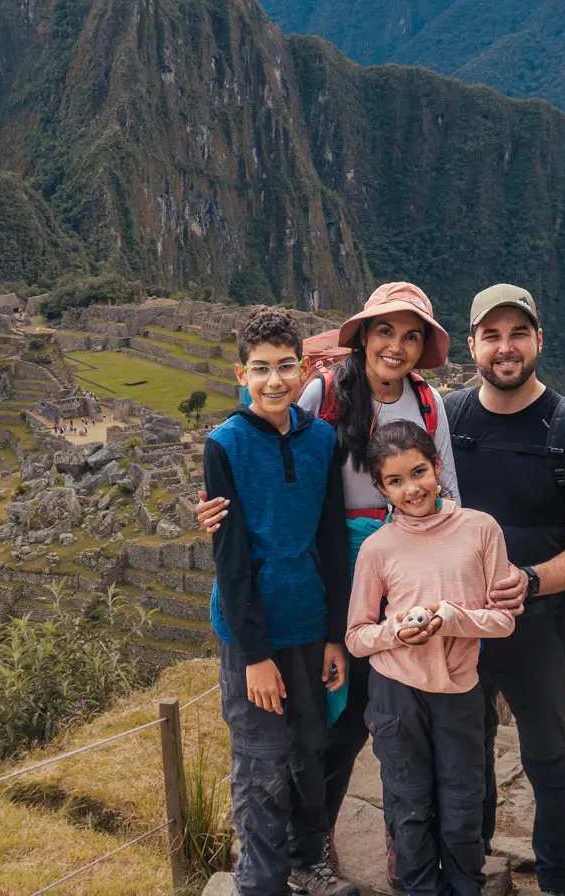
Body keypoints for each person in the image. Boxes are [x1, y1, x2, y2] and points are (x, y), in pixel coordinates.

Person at [199, 282, 462, 842]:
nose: (397, 346)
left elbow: (451, 492)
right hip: (336, 567)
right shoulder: (323, 393)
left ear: (422, 348)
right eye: (385, 330)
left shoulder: (427, 404)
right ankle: (304, 844)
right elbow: (268, 436)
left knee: (376, 706)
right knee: (333, 714)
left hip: (405, 561)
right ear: (364, 335)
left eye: (411, 336)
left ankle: (351, 843)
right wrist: (218, 504)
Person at [445, 284, 565, 896]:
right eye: (492, 335)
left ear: (539, 339)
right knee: (465, 758)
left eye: (518, 333)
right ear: (472, 346)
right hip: (463, 623)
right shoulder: (449, 421)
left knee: (550, 757)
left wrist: (533, 580)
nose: (505, 347)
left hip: (539, 626)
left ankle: (559, 882)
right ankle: (472, 869)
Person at [204, 307, 359, 896]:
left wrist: (334, 634)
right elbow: (232, 558)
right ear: (240, 373)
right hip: (256, 634)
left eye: (285, 367)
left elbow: (329, 539)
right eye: (261, 368)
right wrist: (255, 655)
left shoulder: (321, 439)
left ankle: (307, 863)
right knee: (261, 763)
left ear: (303, 370)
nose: (274, 381)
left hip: (309, 624)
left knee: (310, 751)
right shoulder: (225, 445)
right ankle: (260, 881)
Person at [345, 420, 518, 896]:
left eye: (419, 473)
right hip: (395, 692)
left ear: (437, 466)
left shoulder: (480, 530)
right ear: (381, 488)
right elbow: (358, 636)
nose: (412, 489)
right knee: (409, 802)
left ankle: (466, 886)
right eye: (395, 481)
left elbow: (503, 621)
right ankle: (418, 888)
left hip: (460, 687)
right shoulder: (378, 548)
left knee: (464, 802)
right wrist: (398, 632)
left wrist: (449, 617)